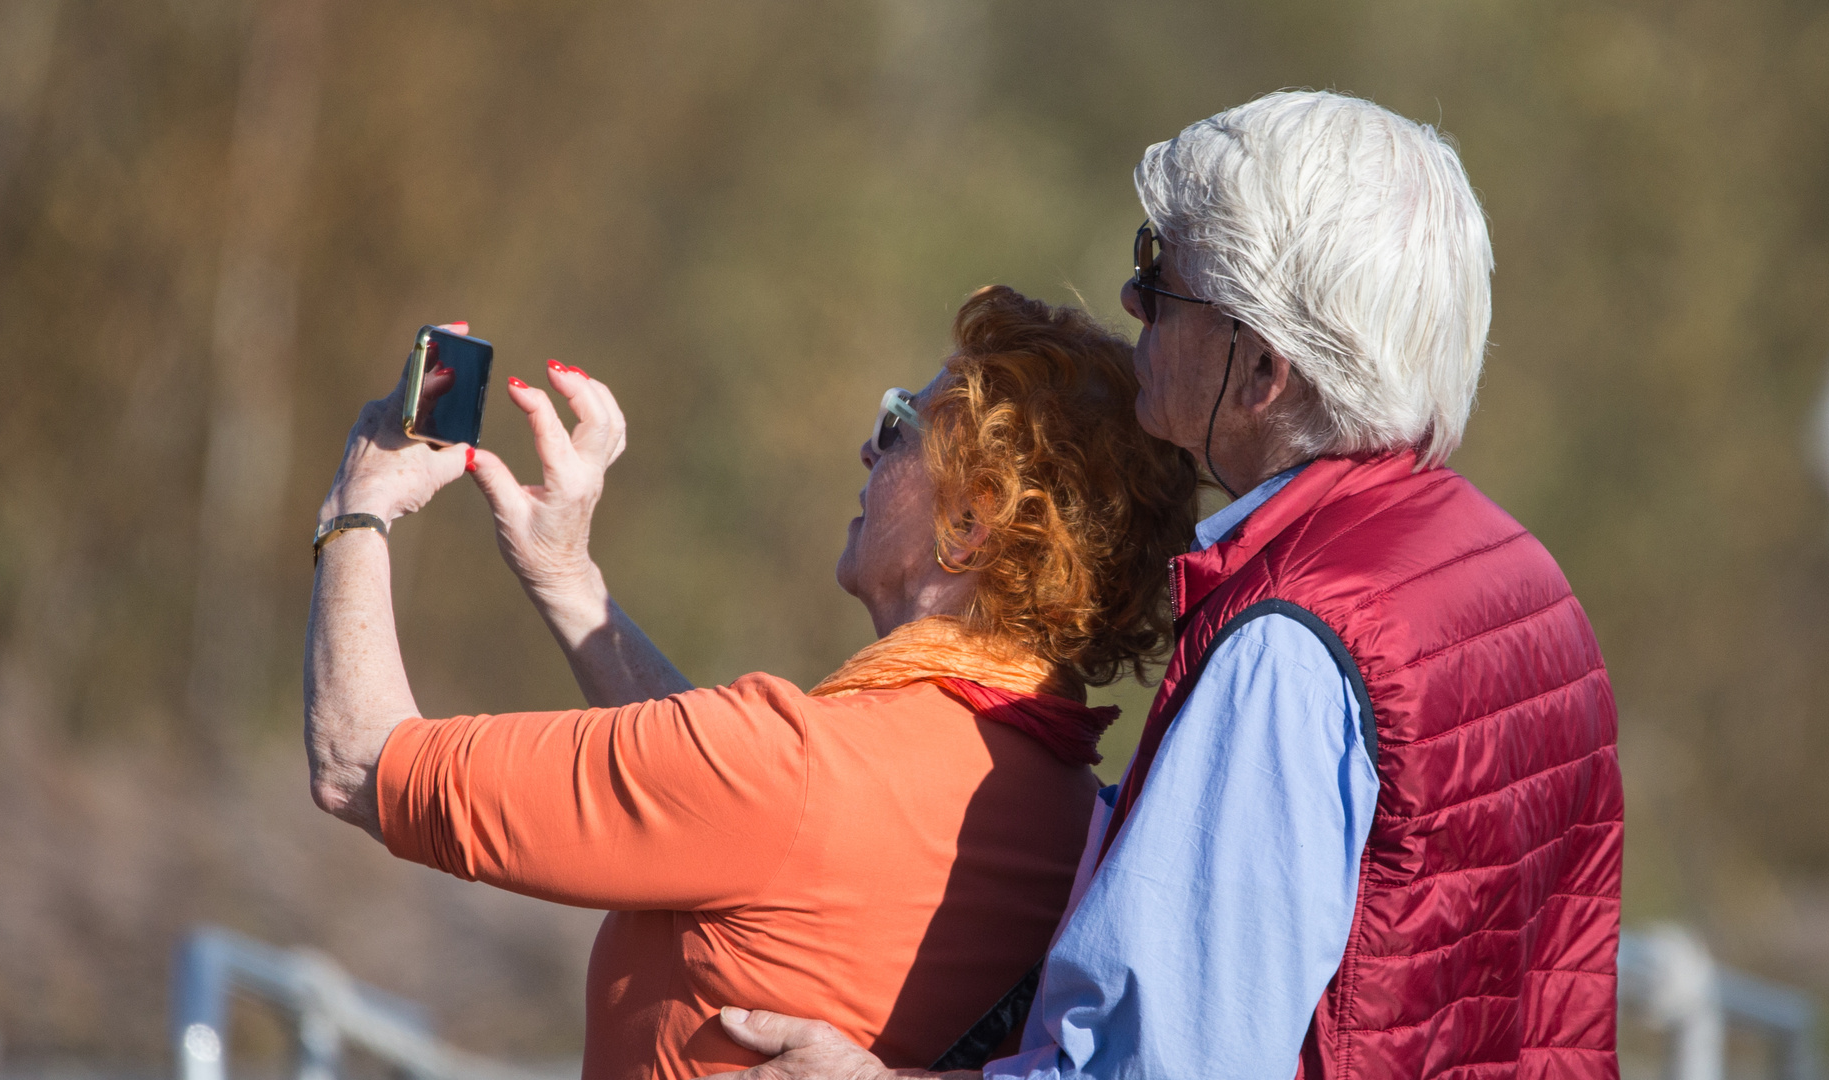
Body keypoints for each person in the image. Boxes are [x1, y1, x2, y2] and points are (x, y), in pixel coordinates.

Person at [709, 91, 1624, 1080]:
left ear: (1264, 371)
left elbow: (1171, 1063)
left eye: (1162, 275)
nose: (1134, 301)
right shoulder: (1513, 572)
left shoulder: (1289, 641)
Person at [301, 288, 1201, 1079]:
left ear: (970, 523)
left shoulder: (796, 765)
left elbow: (359, 762)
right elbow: (729, 814)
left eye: (900, 424)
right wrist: (566, 578)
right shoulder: (1077, 816)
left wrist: (358, 508)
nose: (866, 447)